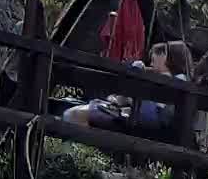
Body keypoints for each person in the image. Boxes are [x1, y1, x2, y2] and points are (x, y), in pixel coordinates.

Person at [63, 40, 193, 132]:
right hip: (139, 119)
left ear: (170, 57)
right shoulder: (178, 79)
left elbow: (149, 109)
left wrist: (135, 75)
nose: (155, 60)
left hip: (140, 122)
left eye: (164, 53)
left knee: (72, 114)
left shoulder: (173, 79)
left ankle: (79, 157)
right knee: (75, 112)